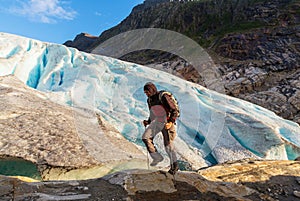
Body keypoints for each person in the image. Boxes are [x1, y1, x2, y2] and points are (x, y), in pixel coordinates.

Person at [142, 82, 179, 174]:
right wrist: (148, 121)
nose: (147, 94)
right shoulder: (149, 100)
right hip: (158, 122)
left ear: (152, 90)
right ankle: (157, 157)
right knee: (146, 137)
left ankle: (174, 166)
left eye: (147, 92)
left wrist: (171, 122)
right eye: (145, 93)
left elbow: (174, 110)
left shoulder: (163, 96)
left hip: (167, 123)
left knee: (168, 145)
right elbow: (153, 113)